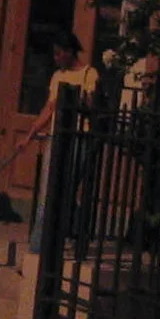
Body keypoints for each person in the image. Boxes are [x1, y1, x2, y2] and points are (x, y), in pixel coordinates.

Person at [25, 34, 100, 252]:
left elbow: (91, 104)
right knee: (48, 191)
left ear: (69, 51)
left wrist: (75, 98)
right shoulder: (57, 76)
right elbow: (49, 108)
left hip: (78, 137)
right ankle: (38, 246)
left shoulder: (89, 73)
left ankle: (73, 233)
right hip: (57, 137)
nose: (56, 58)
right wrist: (30, 134)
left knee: (65, 189)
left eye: (59, 53)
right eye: (54, 54)